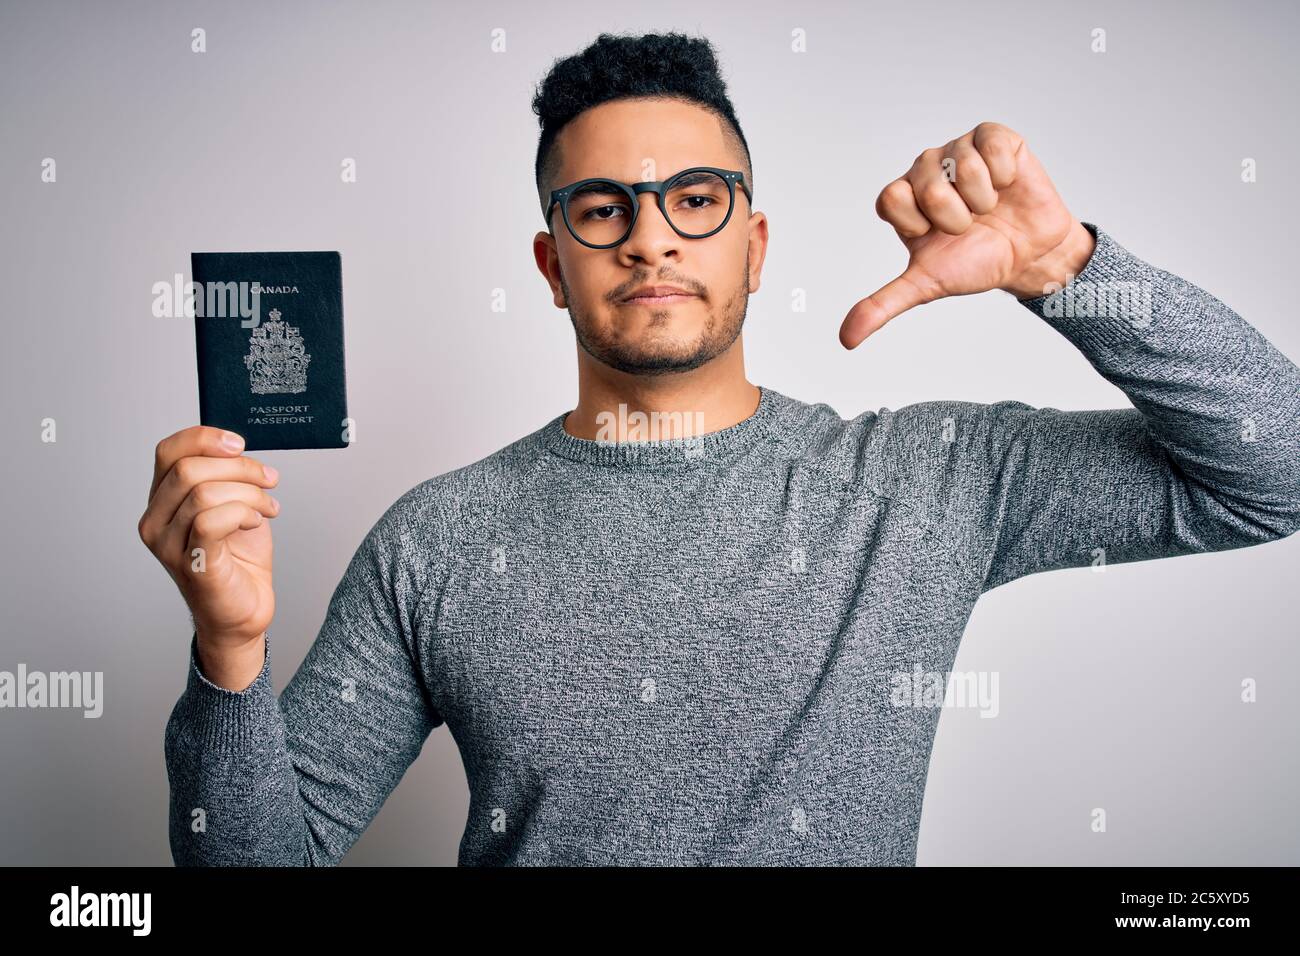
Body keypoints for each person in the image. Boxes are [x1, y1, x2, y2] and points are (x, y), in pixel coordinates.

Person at [141, 31, 1300, 866]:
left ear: (753, 246)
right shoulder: (437, 537)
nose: (649, 238)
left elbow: (1277, 469)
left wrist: (1071, 273)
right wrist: (228, 652)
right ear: (553, 265)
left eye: (693, 198)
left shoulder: (926, 481)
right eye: (600, 208)